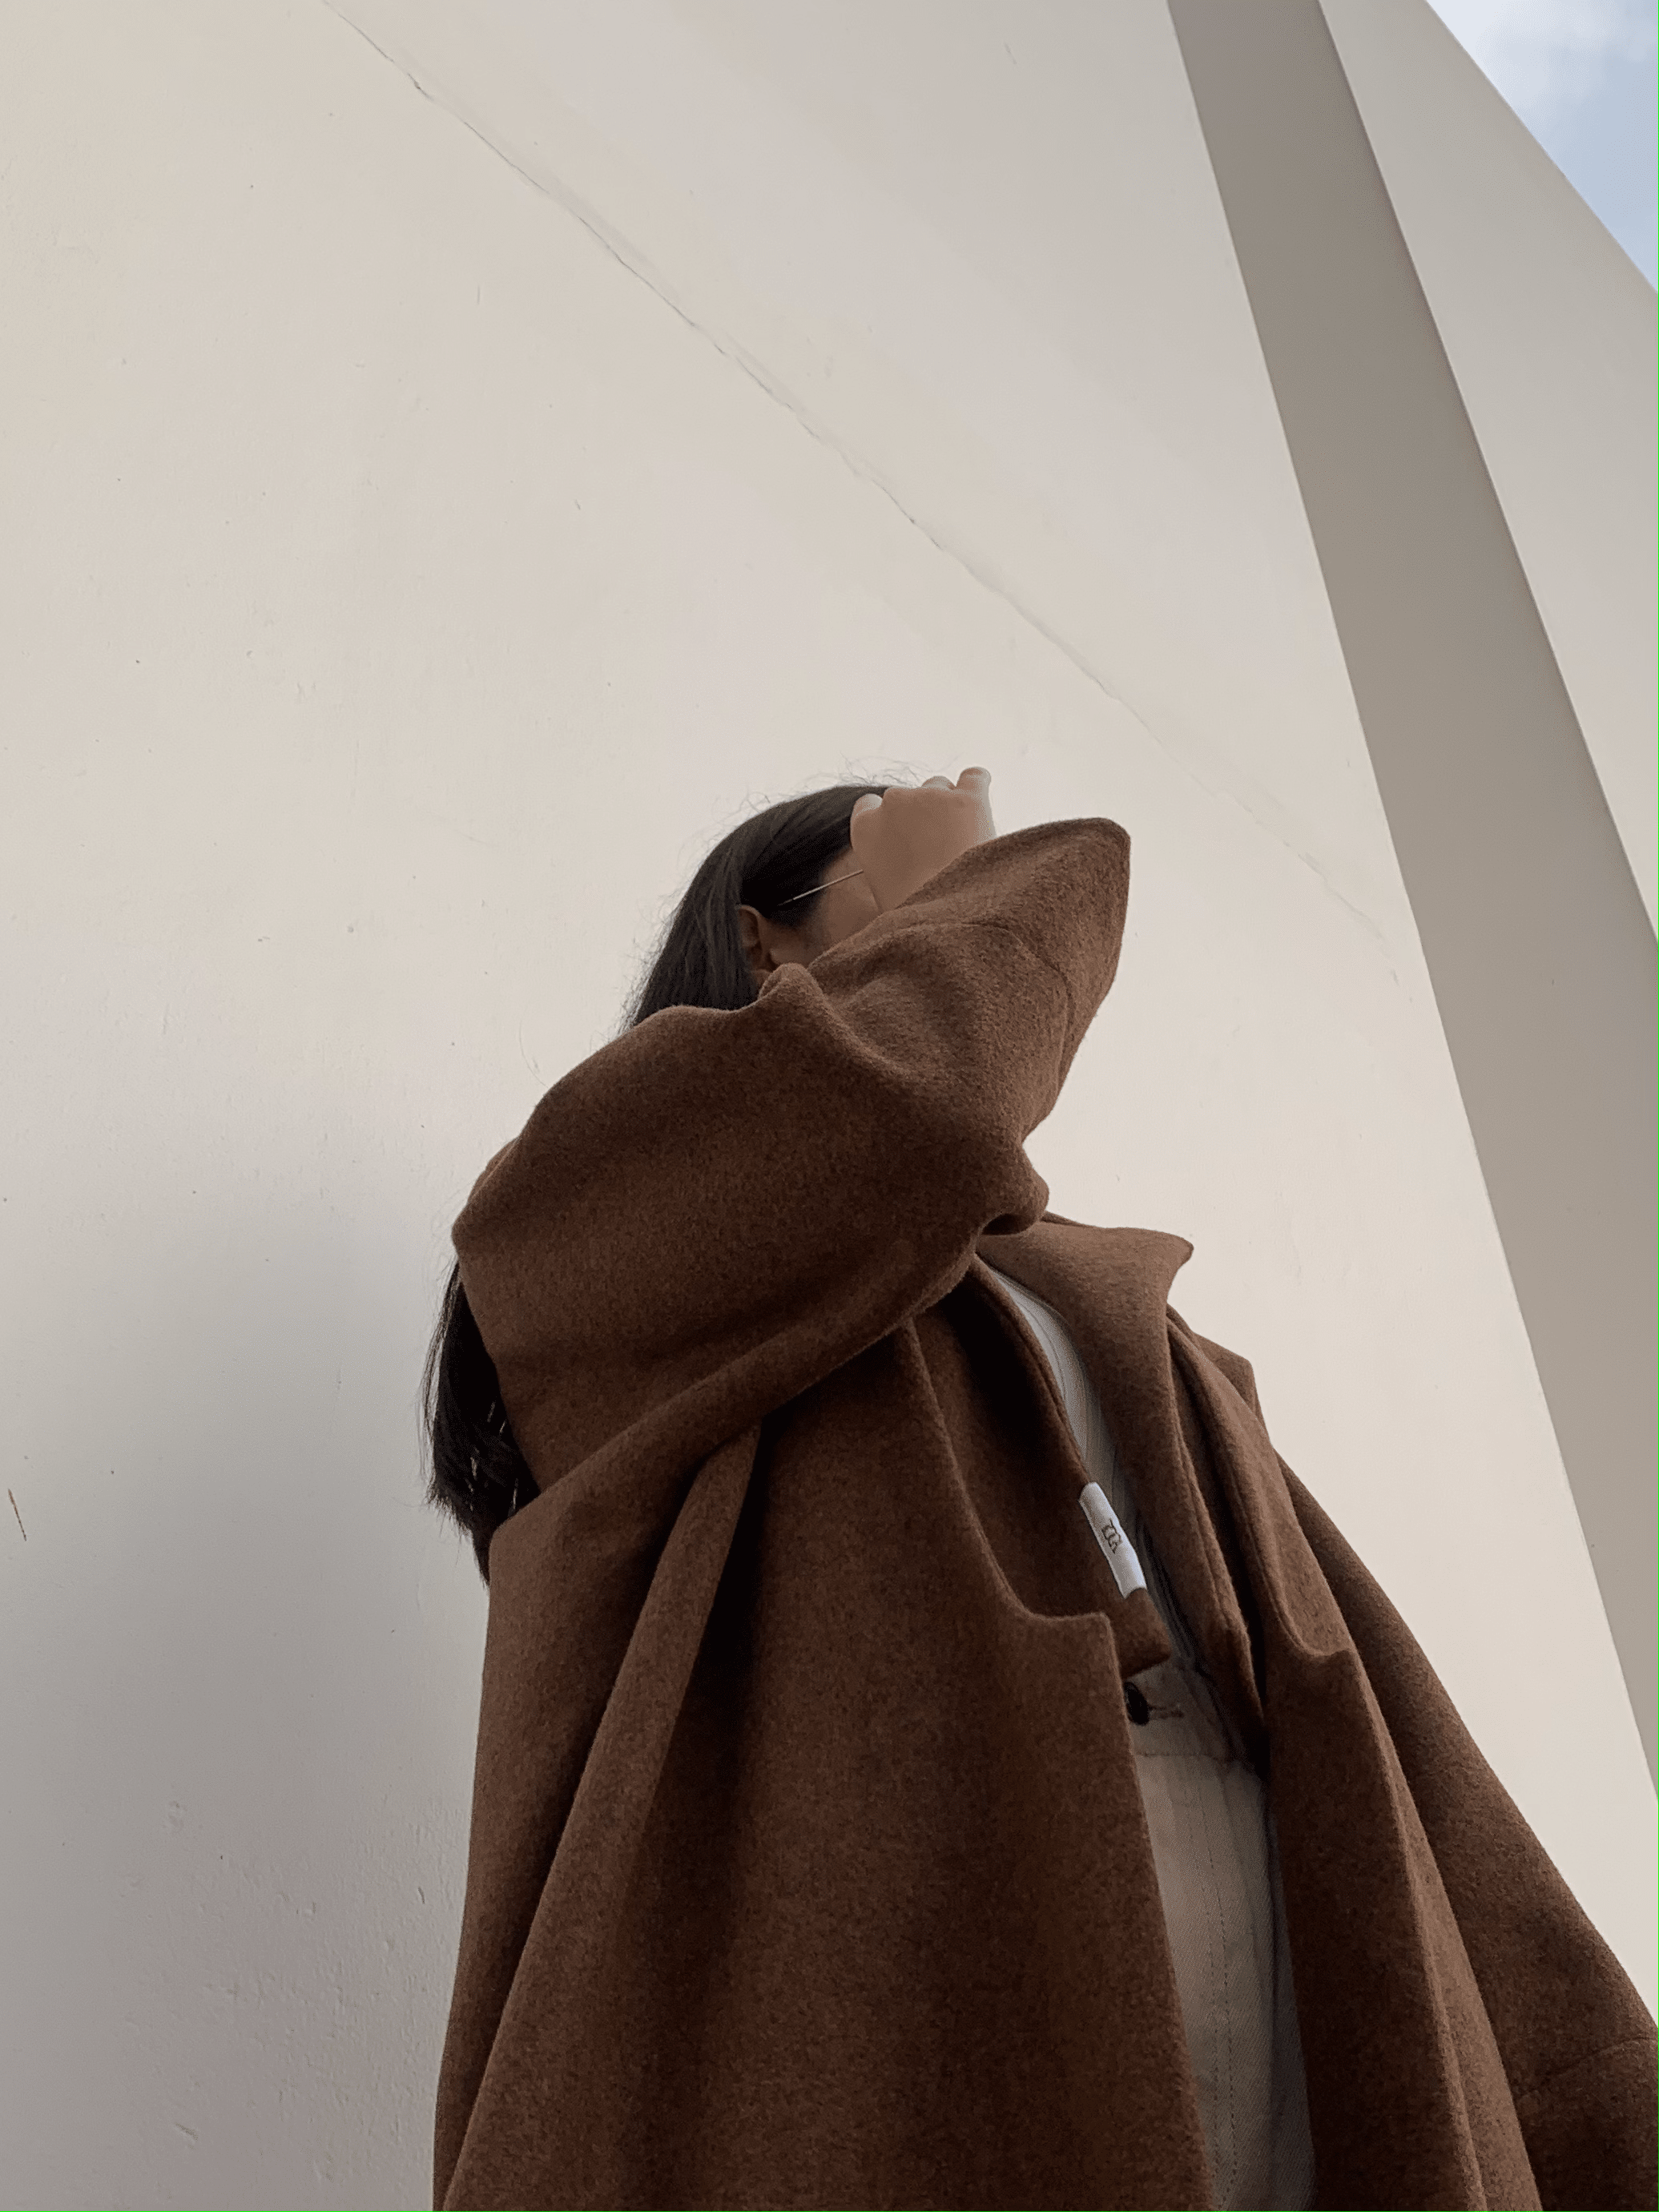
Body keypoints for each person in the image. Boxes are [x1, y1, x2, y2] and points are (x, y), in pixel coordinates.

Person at [422, 769, 1655, 2212]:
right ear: (763, 942)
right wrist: (974, 883)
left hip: (1254, 1884)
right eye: (925, 886)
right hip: (925, 1908)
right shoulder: (613, 1188)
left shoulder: (1060, 1279)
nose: (978, 896)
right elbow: (933, 1104)